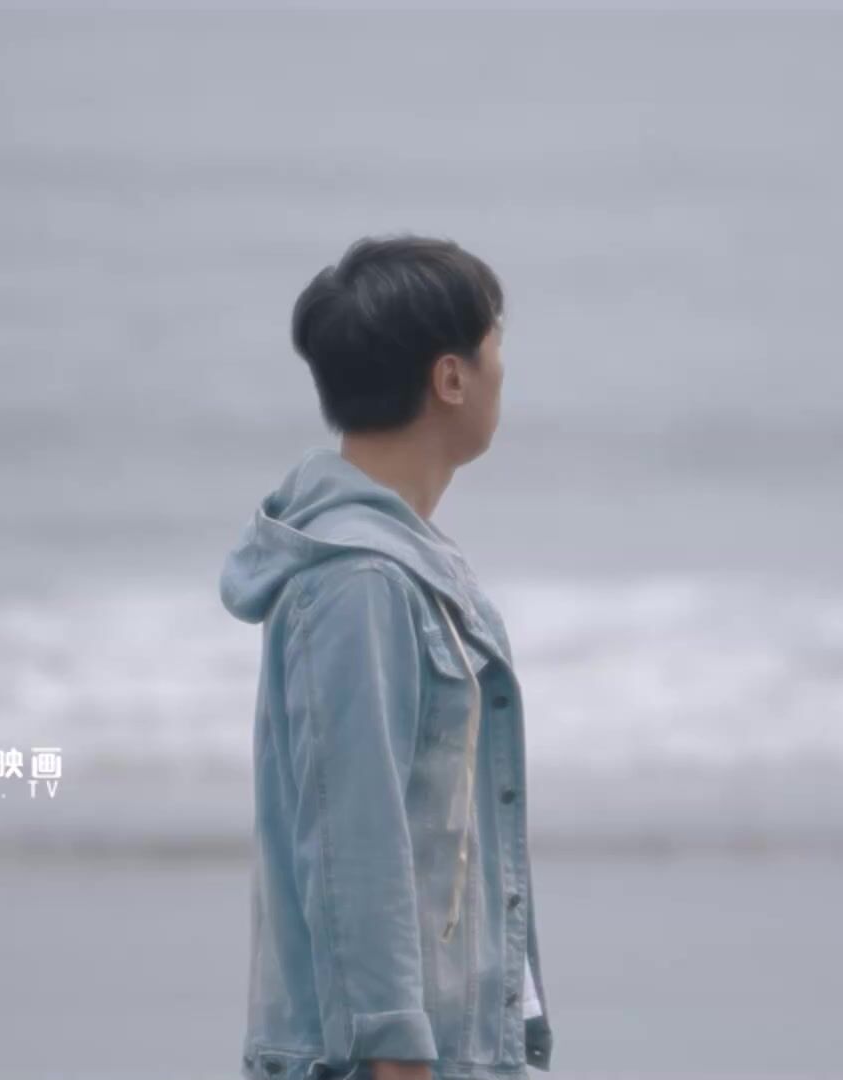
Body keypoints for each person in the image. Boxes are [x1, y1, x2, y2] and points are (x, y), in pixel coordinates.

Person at [220, 234, 554, 1080]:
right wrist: (396, 1055)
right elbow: (355, 839)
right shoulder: (359, 582)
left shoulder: (408, 566)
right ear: (451, 378)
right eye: (495, 344)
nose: (504, 369)